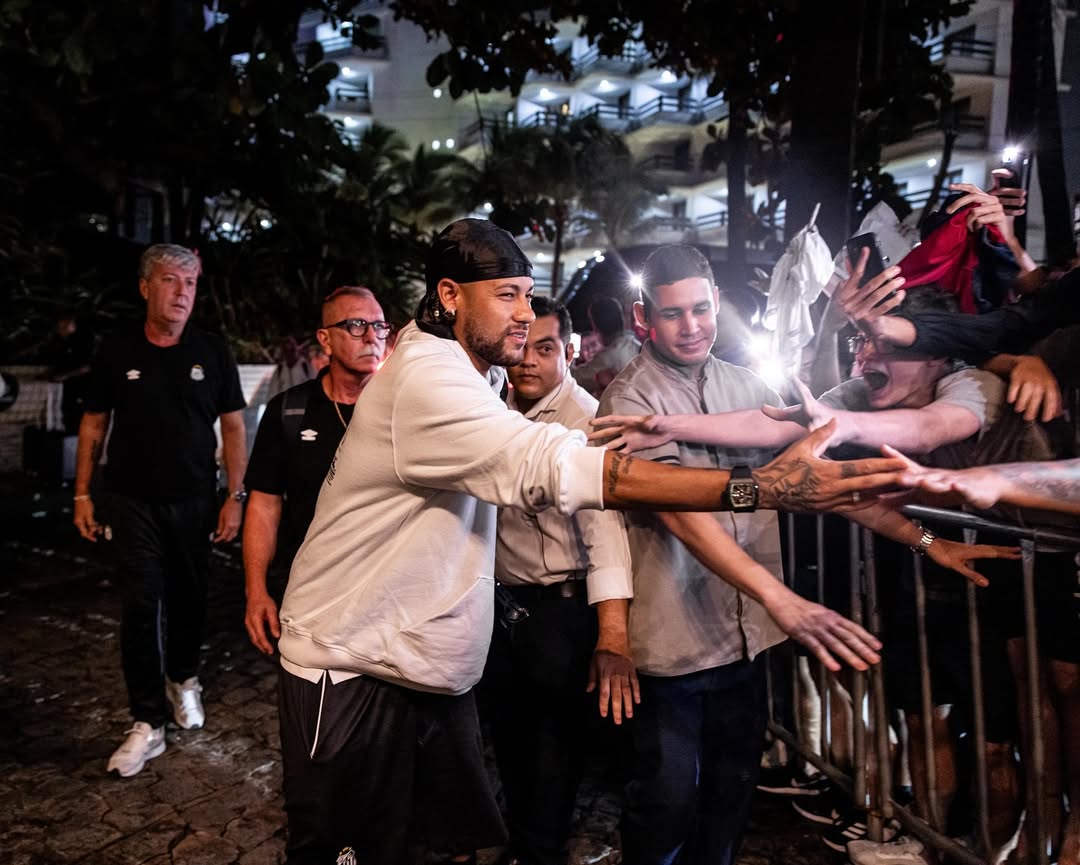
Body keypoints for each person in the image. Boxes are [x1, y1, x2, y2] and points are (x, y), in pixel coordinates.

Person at [273, 218, 905, 865]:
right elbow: (568, 468)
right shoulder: (428, 381)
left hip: (415, 667)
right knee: (346, 853)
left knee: (435, 843)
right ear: (450, 294)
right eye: (507, 296)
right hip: (349, 661)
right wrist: (759, 488)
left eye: (527, 294)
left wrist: (917, 527)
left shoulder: (467, 368)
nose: (524, 314)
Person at [73, 243, 247, 777]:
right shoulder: (117, 348)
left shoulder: (211, 350)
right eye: (171, 281)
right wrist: (83, 494)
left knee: (190, 598)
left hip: (195, 499)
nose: (182, 293)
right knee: (141, 604)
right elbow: (94, 423)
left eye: (191, 283)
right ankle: (147, 721)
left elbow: (234, 427)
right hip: (131, 501)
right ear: (146, 287)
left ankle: (184, 678)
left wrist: (234, 497)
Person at [484, 296, 636, 865]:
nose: (529, 362)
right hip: (501, 609)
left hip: (560, 613)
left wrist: (612, 639)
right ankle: (525, 843)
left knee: (552, 752)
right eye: (520, 347)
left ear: (568, 351)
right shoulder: (490, 412)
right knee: (509, 741)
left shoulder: (586, 421)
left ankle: (539, 852)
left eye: (545, 348)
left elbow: (606, 537)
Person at [242, 286, 389, 655]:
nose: (372, 337)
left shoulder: (404, 410)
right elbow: (264, 505)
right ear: (325, 339)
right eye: (356, 326)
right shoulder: (290, 411)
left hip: (386, 596)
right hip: (309, 590)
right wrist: (256, 590)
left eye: (379, 326)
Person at [571, 295, 641, 397]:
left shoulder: (610, 355)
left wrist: (567, 355)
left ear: (596, 324)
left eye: (592, 321)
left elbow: (576, 379)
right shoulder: (634, 343)